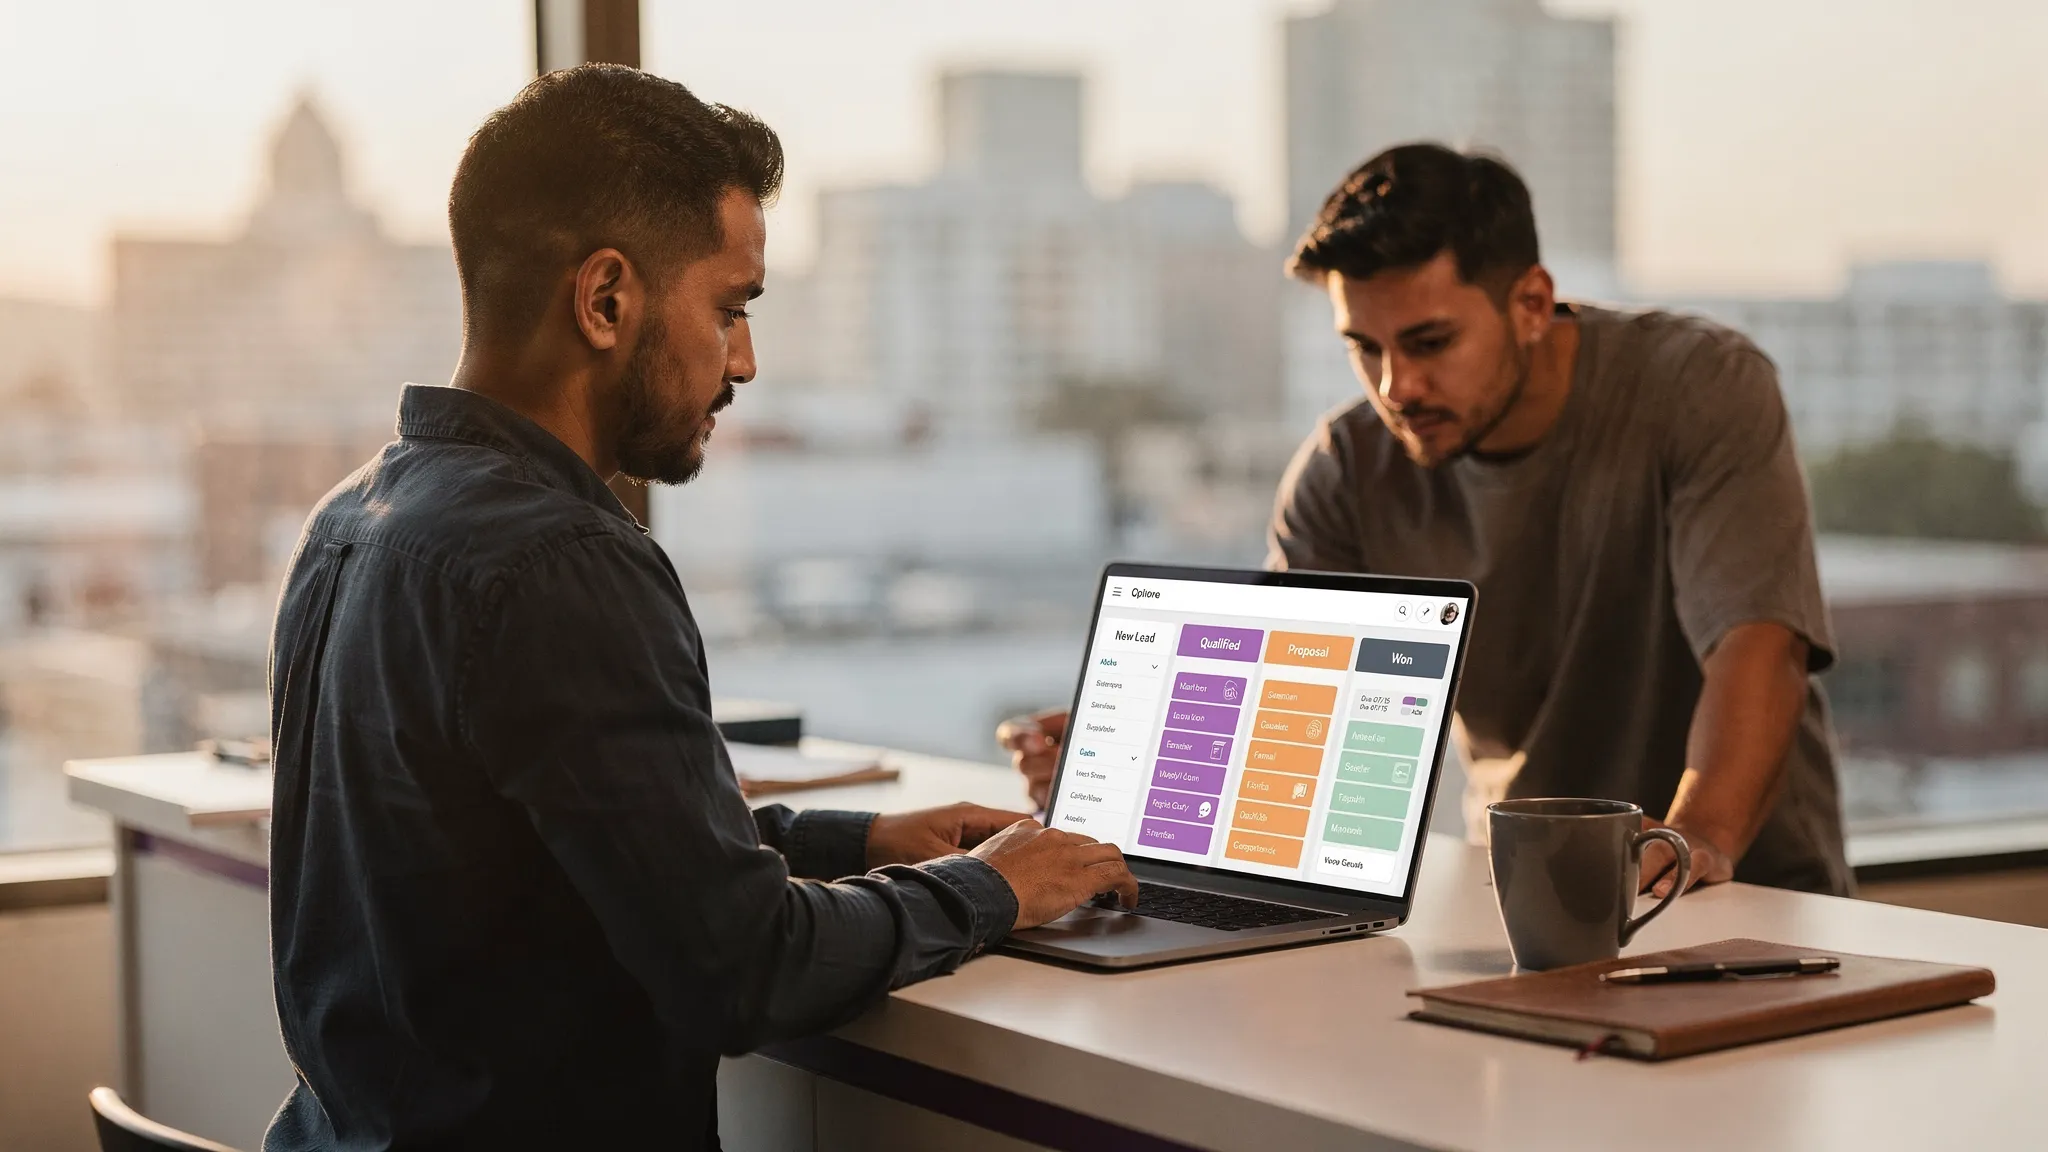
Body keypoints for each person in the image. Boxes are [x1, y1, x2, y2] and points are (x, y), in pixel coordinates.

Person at [265, 65, 1137, 1152]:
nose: (745, 360)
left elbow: (570, 848)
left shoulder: (351, 521)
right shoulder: (561, 559)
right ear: (605, 298)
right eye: (728, 309)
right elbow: (744, 967)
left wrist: (861, 839)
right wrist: (990, 890)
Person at [1002, 142, 1850, 901]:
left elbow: (1756, 647)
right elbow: (1293, 728)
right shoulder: (1344, 472)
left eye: (1430, 341)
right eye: (1364, 348)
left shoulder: (1700, 387)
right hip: (1532, 909)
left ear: (1530, 302)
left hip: (1751, 901)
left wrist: (1695, 841)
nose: (1396, 385)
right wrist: (1128, 770)